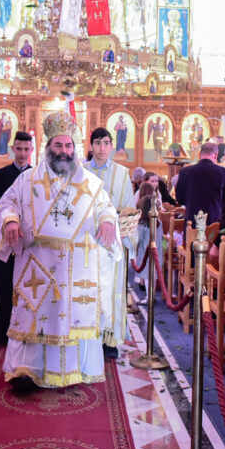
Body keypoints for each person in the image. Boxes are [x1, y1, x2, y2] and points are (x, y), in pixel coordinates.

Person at [0, 112, 121, 388]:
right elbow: (8, 203)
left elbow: (105, 207)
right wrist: (11, 219)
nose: (63, 152)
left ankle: (73, 371)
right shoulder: (27, 179)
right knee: (33, 314)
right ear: (48, 148)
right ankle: (26, 371)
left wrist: (108, 221)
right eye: (58, 146)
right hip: (37, 262)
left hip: (77, 265)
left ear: (74, 149)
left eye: (68, 146)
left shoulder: (90, 183)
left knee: (69, 315)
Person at [85, 127, 136, 357]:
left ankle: (110, 340)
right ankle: (87, 335)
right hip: (86, 242)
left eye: (106, 143)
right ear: (91, 146)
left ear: (112, 145)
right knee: (88, 288)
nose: (102, 147)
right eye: (98, 143)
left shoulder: (122, 174)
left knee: (111, 289)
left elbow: (128, 208)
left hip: (112, 244)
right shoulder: (81, 172)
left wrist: (124, 232)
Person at [0, 132, 34, 347]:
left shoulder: (36, 176)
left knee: (29, 289)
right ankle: (1, 332)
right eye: (18, 149)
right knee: (3, 287)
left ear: (31, 150)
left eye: (26, 149)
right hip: (6, 242)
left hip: (29, 243)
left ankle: (27, 333)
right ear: (13, 149)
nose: (22, 153)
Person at [175, 142, 225, 227]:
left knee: (191, 239)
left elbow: (180, 199)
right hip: (215, 224)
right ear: (216, 155)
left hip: (192, 223)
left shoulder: (185, 172)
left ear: (199, 154)